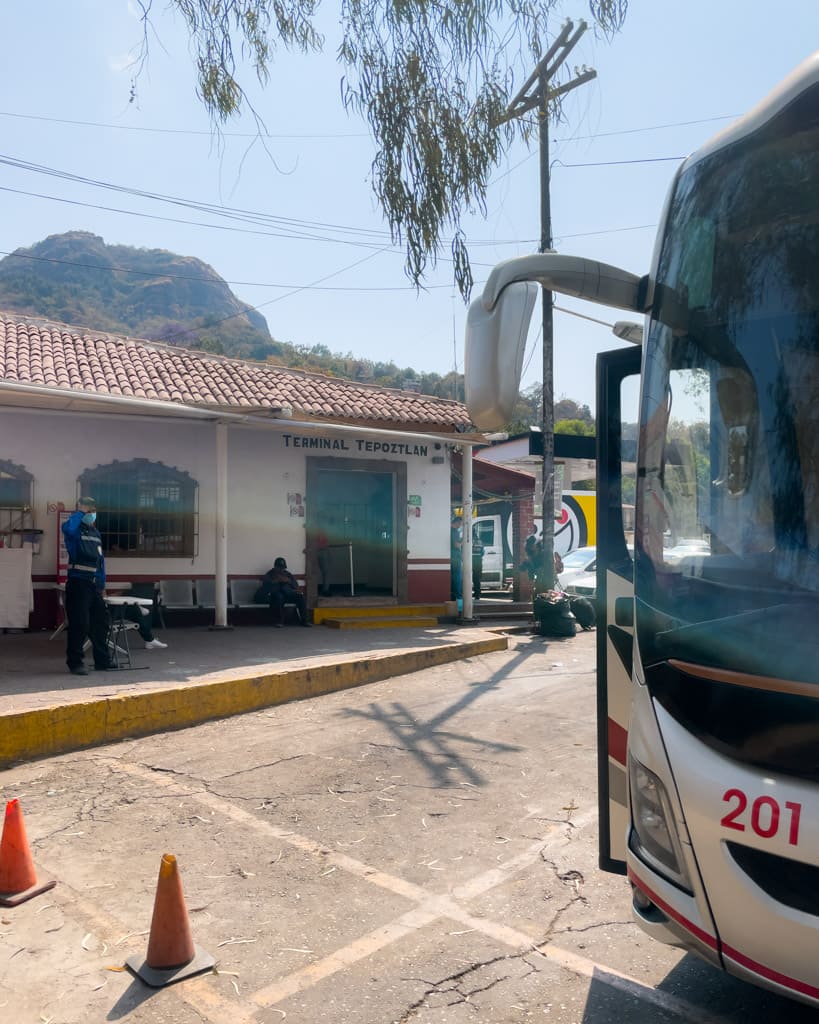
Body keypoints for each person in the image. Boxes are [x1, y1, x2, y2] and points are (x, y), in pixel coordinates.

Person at [61, 496, 113, 675]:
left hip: (94, 585)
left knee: (101, 623)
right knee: (79, 624)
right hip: (78, 584)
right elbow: (69, 528)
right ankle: (75, 663)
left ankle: (102, 661)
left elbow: (100, 562)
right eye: (87, 510)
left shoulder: (95, 533)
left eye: (92, 510)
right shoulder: (73, 530)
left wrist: (102, 584)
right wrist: (80, 512)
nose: (91, 513)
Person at [258, 557, 311, 627]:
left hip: (288, 594)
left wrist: (288, 581)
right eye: (279, 568)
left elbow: (295, 585)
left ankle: (304, 621)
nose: (281, 570)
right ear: (275, 567)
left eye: (283, 568)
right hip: (275, 595)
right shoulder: (269, 574)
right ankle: (279, 621)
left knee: (300, 597)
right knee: (279, 597)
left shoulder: (287, 574)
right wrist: (276, 580)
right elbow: (266, 586)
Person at [450, 517, 463, 600]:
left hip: (452, 558)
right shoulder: (455, 532)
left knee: (454, 580)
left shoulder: (449, 531)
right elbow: (456, 545)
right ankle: (460, 605)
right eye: (460, 524)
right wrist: (463, 540)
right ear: (457, 522)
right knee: (457, 580)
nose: (460, 526)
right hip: (456, 558)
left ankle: (455, 599)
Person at [472, 526, 484, 599]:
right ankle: (477, 594)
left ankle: (467, 593)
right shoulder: (480, 540)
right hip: (478, 560)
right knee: (477, 578)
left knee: (468, 577)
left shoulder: (468, 540)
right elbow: (483, 552)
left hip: (471, 560)